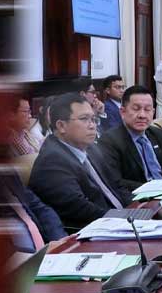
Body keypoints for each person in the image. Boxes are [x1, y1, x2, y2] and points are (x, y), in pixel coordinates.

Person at [27, 94, 128, 230]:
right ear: (61, 126)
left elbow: (117, 185)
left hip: (120, 219)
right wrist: (125, 218)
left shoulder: (91, 148)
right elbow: (81, 209)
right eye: (84, 119)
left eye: (93, 119)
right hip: (94, 230)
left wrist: (138, 209)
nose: (92, 126)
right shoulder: (52, 161)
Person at [95, 86, 162, 195]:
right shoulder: (110, 141)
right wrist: (153, 188)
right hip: (142, 197)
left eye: (147, 109)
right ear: (122, 112)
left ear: (153, 112)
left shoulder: (156, 133)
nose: (142, 115)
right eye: (136, 109)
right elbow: (116, 182)